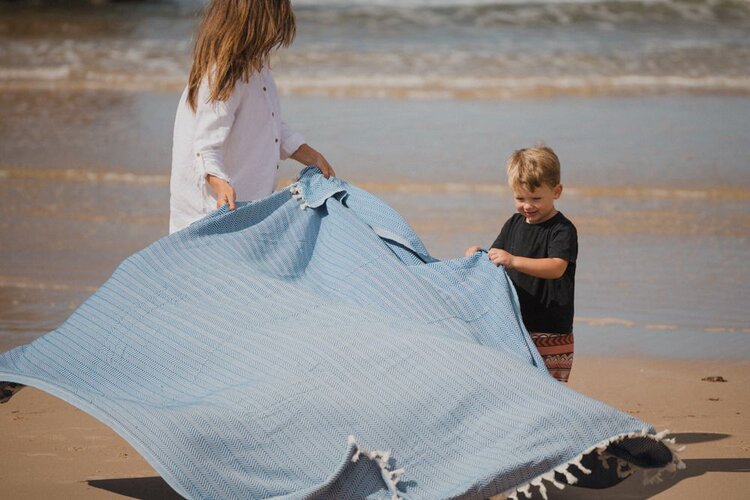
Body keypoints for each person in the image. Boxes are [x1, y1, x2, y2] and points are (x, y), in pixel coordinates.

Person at [169, 0, 335, 234]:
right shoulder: (222, 76)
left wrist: (310, 155)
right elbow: (206, 146)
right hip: (209, 213)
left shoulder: (258, 70)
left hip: (245, 209)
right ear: (254, 23)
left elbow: (270, 126)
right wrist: (220, 184)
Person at [465, 146, 578, 382]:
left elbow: (557, 267)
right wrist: (478, 254)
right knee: (516, 383)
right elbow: (496, 256)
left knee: (549, 386)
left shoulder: (562, 230)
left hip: (550, 327)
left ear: (556, 191)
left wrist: (514, 261)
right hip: (514, 321)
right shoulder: (513, 223)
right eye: (520, 198)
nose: (527, 205)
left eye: (536, 198)